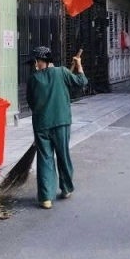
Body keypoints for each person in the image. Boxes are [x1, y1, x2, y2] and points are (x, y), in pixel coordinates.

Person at [25, 46, 87, 209]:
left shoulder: (33, 79)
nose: (34, 65)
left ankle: (46, 197)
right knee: (62, 155)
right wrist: (79, 65)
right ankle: (66, 188)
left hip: (41, 124)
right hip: (61, 122)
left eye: (35, 62)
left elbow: (31, 102)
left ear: (41, 61)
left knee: (45, 159)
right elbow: (82, 82)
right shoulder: (62, 72)